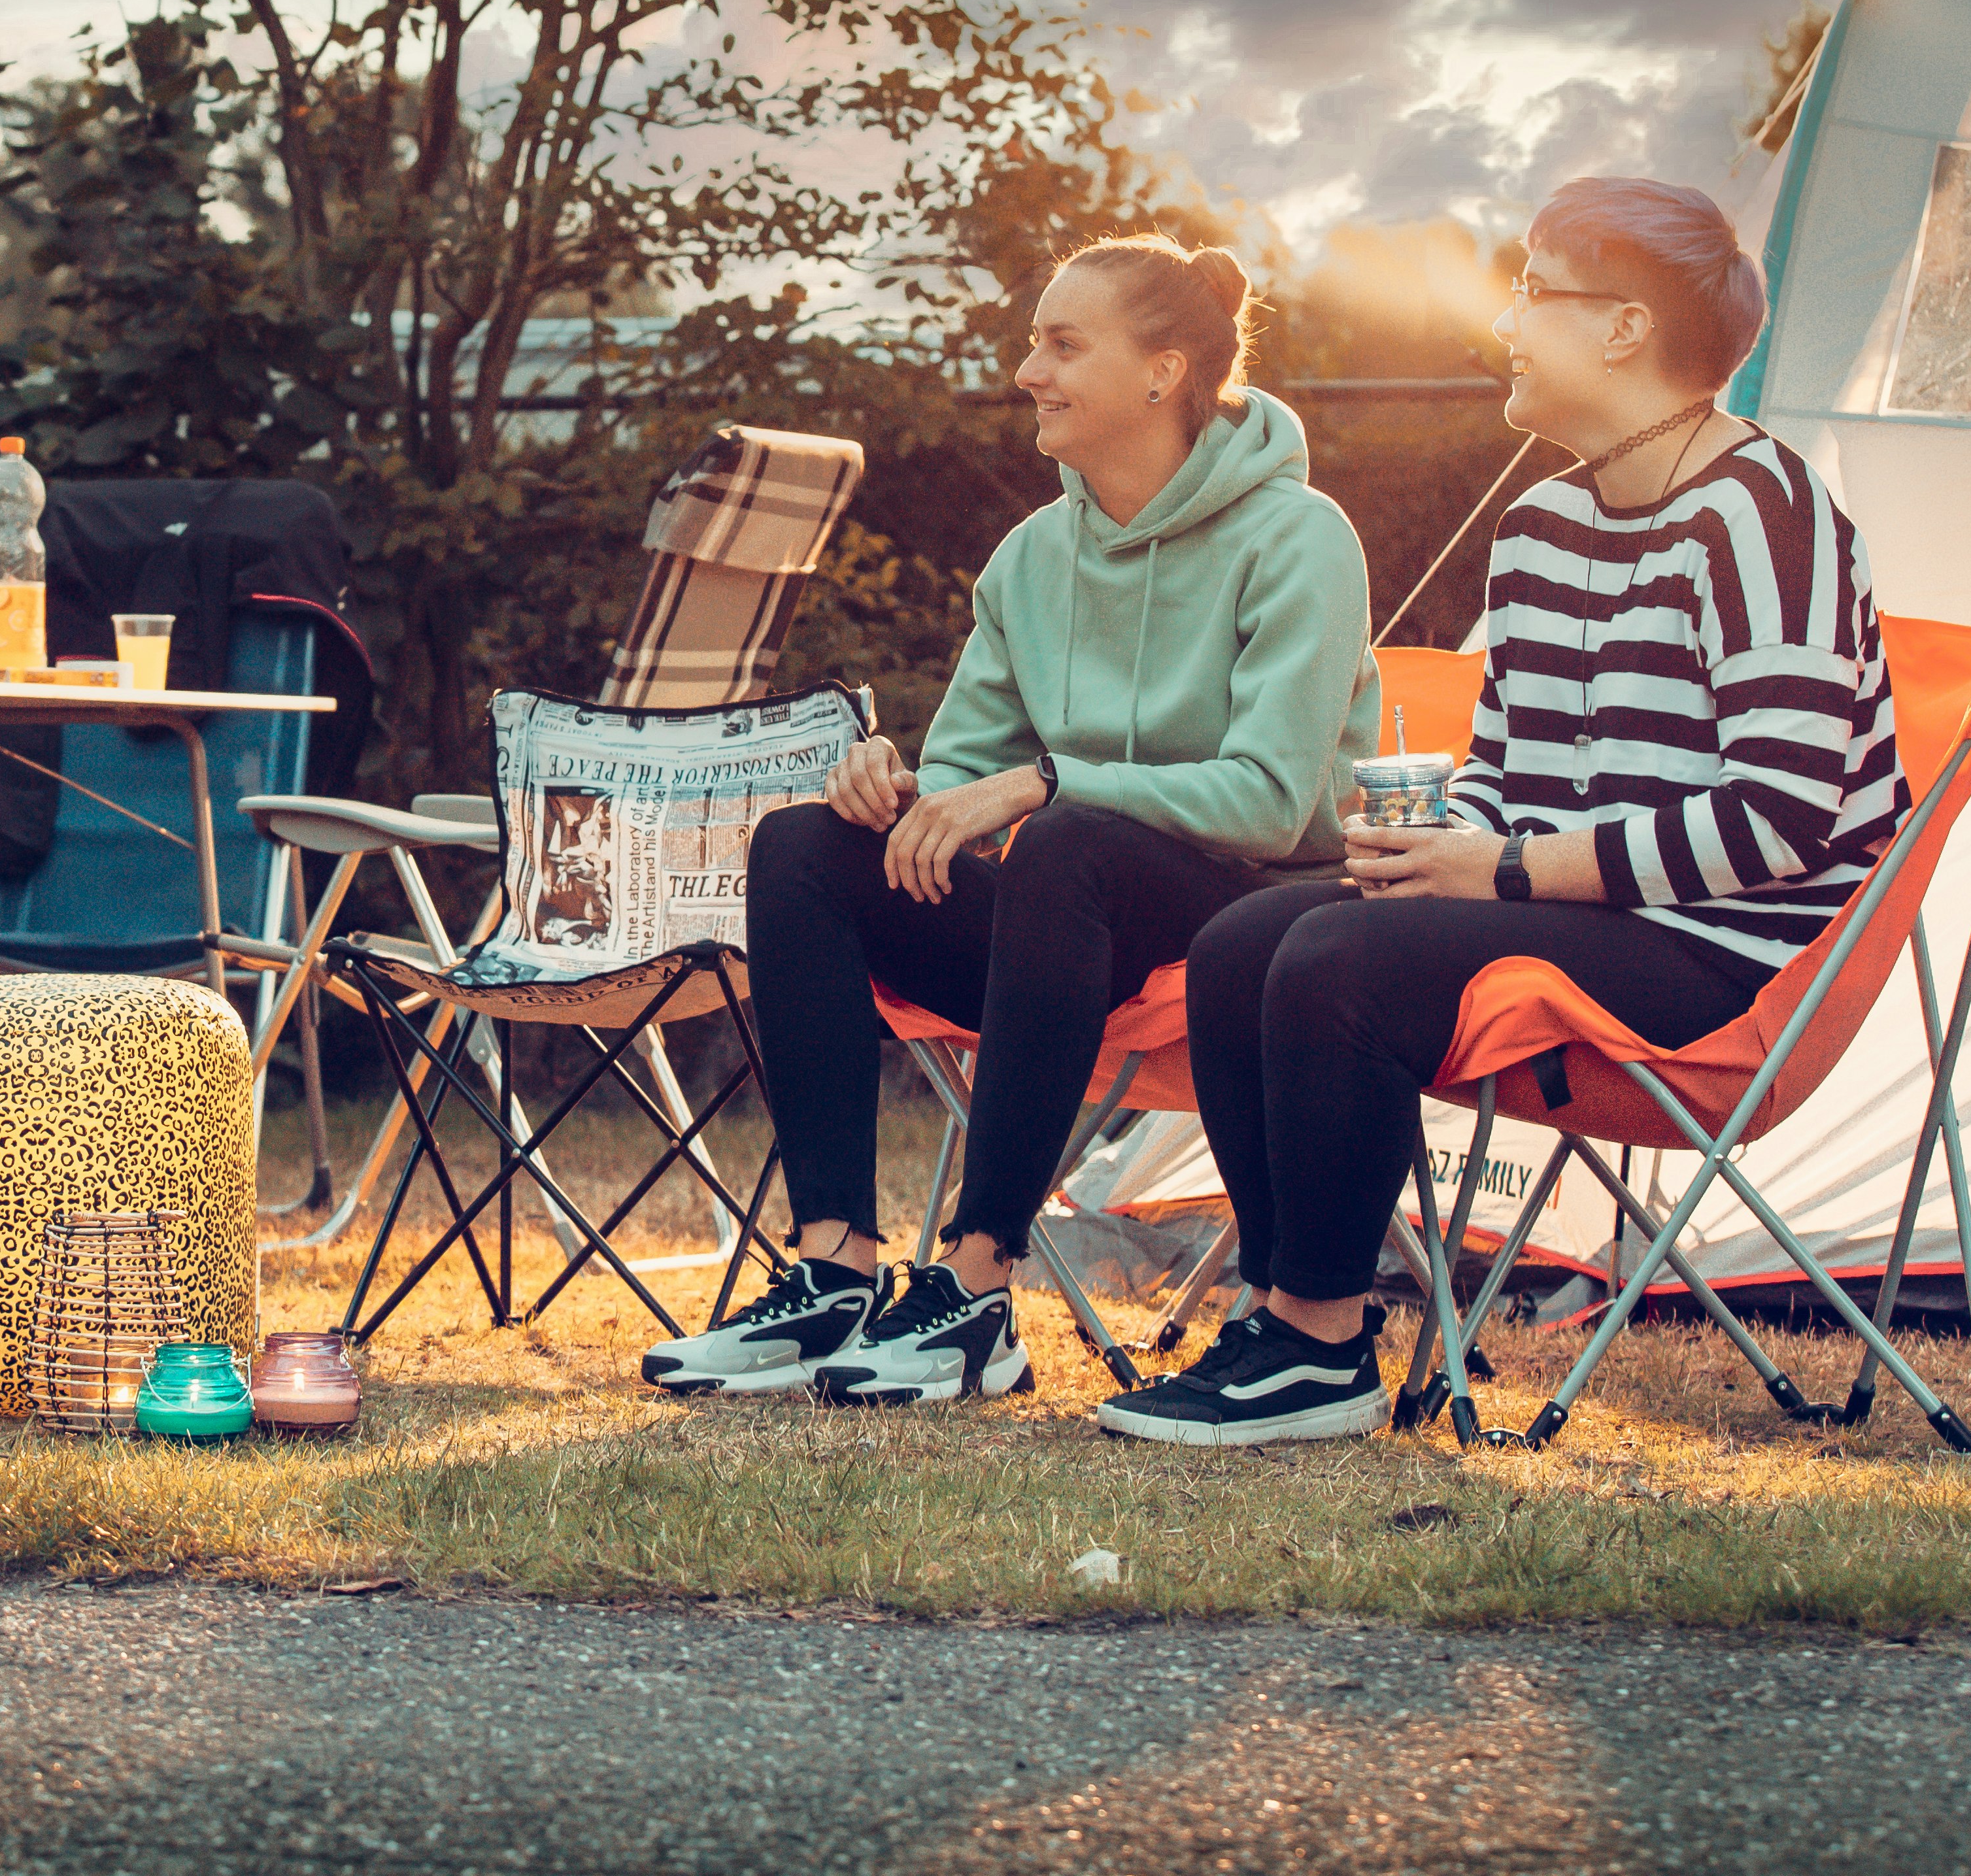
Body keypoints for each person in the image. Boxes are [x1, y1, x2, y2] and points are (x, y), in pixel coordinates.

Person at [1102, 176, 1905, 1448]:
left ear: (1626, 328)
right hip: (1574, 906)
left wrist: (1505, 868)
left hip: (1724, 947)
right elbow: (1508, 773)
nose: (1506, 323)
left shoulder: (1765, 515)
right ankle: (1283, 1311)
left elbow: (1785, 818)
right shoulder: (1540, 528)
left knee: (1339, 957)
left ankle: (1320, 1347)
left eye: (1533, 290)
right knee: (1244, 938)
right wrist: (1441, 844)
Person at [645, 235, 1377, 1406]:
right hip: (1062, 928)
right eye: (1036, 341)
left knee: (1071, 836)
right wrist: (889, 793)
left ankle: (979, 1290)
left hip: (1253, 918)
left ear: (1163, 371)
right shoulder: (1031, 559)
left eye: (1062, 344)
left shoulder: (1300, 538)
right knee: (803, 848)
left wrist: (1044, 783)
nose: (1028, 369)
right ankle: (834, 1271)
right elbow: (961, 795)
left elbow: (1272, 799)